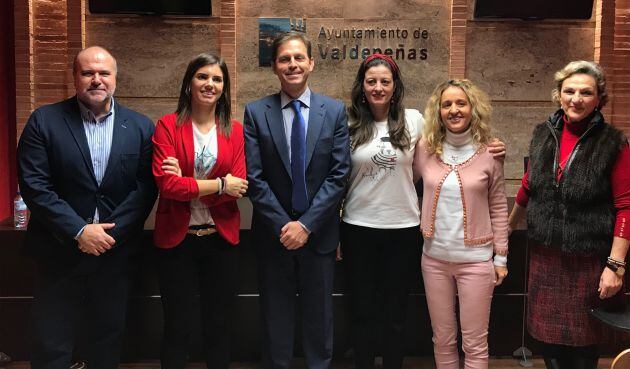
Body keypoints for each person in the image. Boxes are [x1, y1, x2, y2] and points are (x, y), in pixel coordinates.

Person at [17, 46, 157, 369]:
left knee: (106, 340)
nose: (97, 79)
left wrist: (108, 235)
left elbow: (145, 188)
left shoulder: (140, 127)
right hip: (58, 252)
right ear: (75, 78)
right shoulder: (44, 121)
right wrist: (79, 231)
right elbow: (35, 185)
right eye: (88, 73)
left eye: (104, 73)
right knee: (51, 343)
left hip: (114, 254)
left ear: (116, 79)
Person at [508, 60, 630, 369]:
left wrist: (615, 266)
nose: (577, 99)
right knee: (547, 341)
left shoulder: (614, 143)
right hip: (546, 257)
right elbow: (528, 185)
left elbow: (626, 206)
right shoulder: (542, 134)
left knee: (583, 345)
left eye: (586, 92)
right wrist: (506, 231)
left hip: (587, 260)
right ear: (559, 95)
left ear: (599, 99)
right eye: (569, 91)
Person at [243, 32, 351, 369]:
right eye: (284, 59)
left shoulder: (333, 111)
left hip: (318, 235)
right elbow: (254, 178)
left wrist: (305, 225)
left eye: (299, 58)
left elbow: (339, 174)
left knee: (320, 317)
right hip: (273, 236)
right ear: (274, 67)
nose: (292, 64)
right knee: (276, 315)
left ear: (311, 63)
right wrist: (285, 225)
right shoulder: (256, 112)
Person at [151, 53, 248, 369]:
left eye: (217, 79)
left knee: (220, 327)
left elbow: (240, 187)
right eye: (202, 77)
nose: (210, 84)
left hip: (220, 241)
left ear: (224, 87)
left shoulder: (234, 131)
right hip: (176, 243)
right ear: (189, 84)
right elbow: (167, 187)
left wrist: (188, 183)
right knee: (178, 327)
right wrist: (220, 185)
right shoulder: (168, 126)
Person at [413, 79, 509, 369]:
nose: (454, 110)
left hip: (476, 262)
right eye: (446, 104)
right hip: (434, 259)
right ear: (438, 112)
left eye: (461, 103)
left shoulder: (489, 154)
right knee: (442, 338)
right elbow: (403, 181)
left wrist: (501, 256)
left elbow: (499, 206)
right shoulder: (425, 149)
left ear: (472, 109)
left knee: (475, 342)